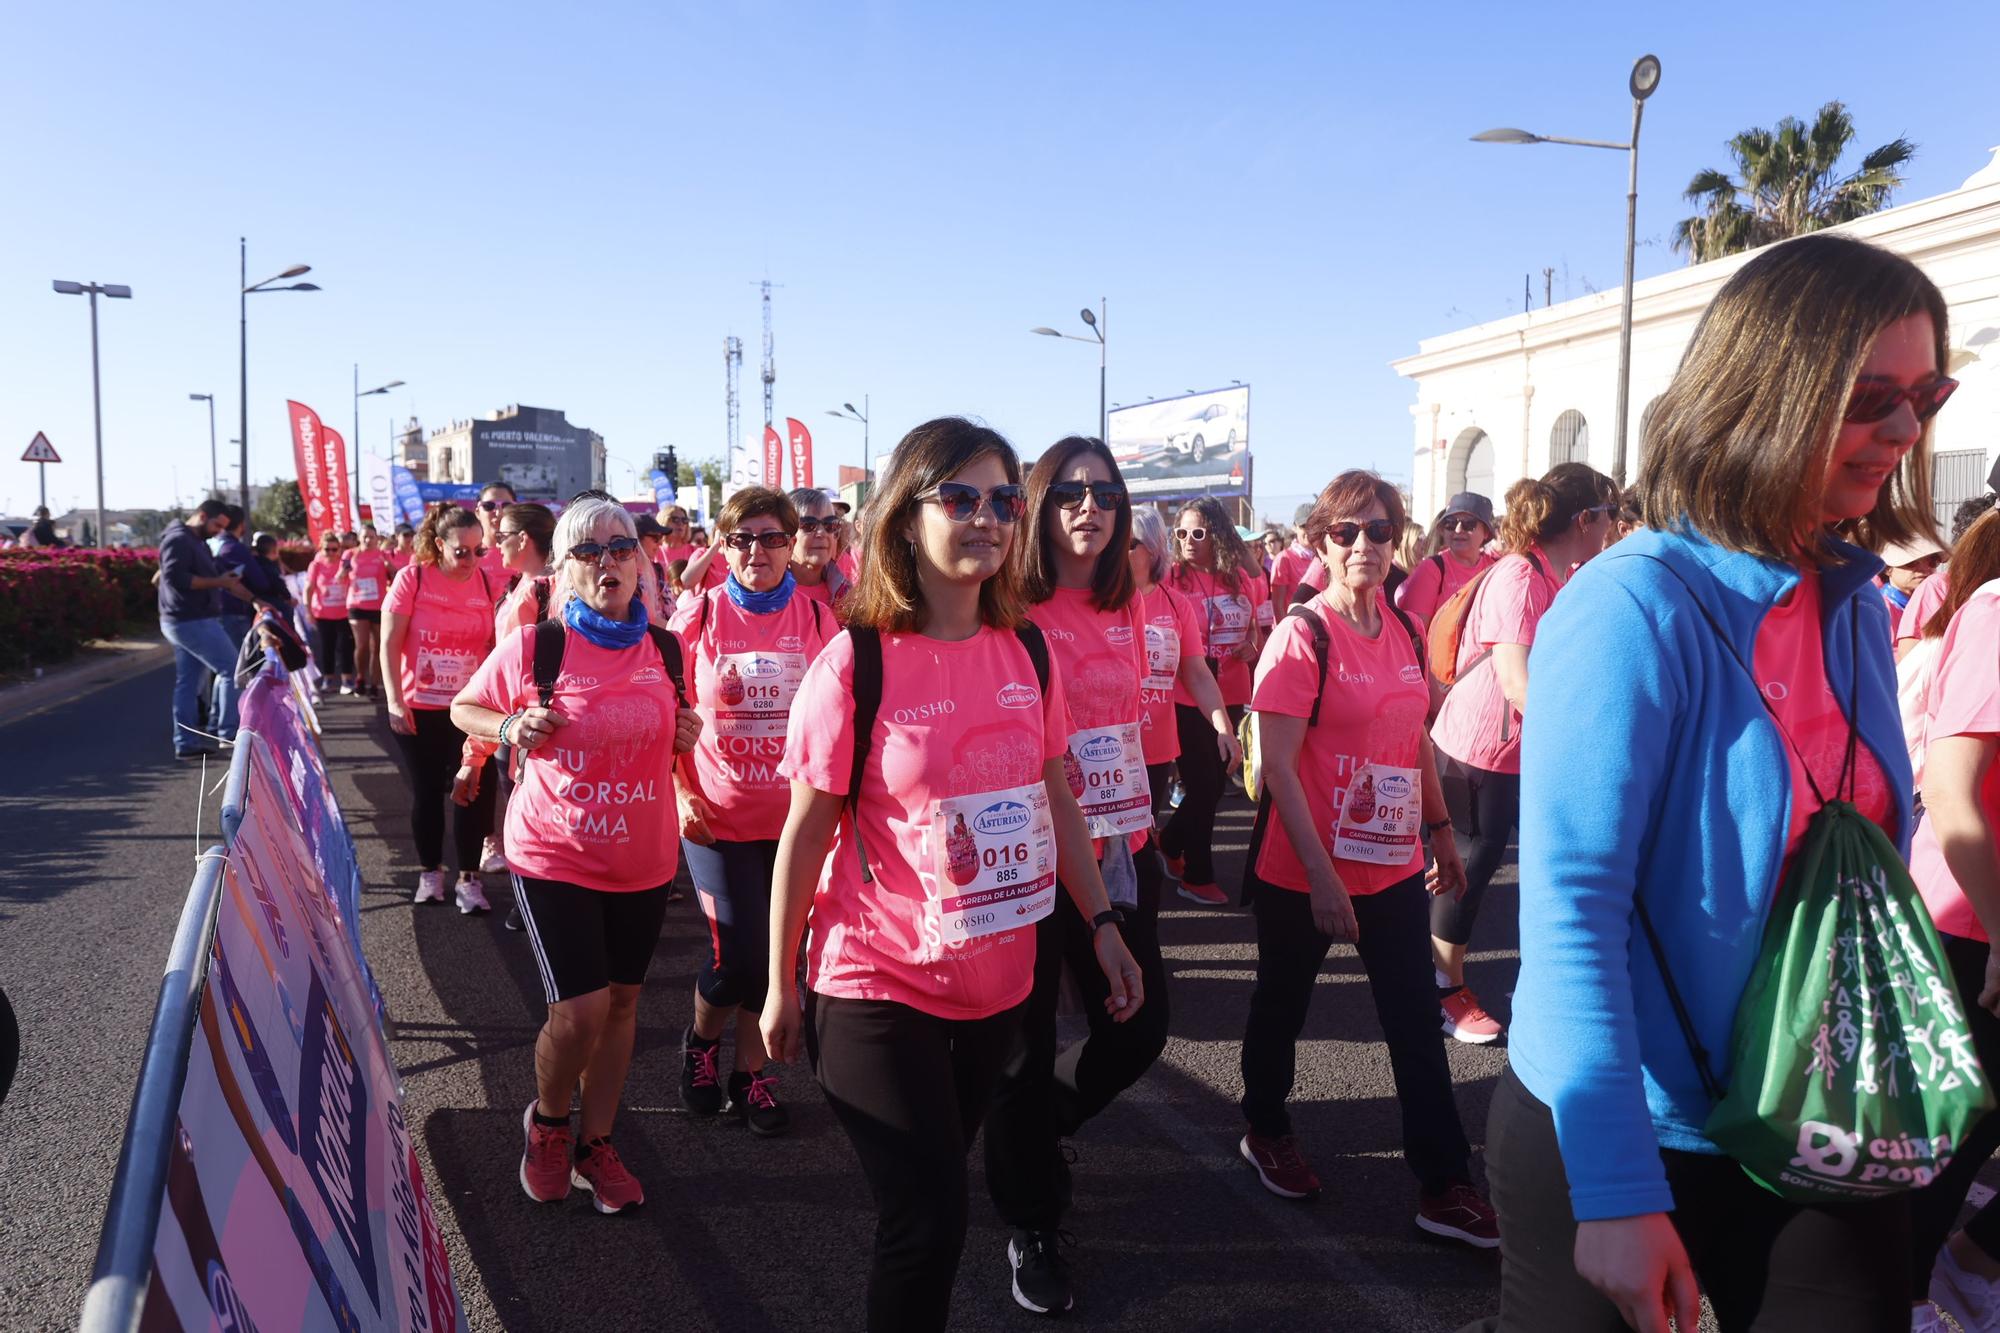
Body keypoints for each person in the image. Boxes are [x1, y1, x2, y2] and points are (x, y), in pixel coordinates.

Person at [1484, 232, 1941, 1332]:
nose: (1903, 430)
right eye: (1867, 396)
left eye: (1923, 393)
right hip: (1633, 1133)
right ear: (1763, 392)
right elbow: (1571, 910)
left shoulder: (1848, 598)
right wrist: (1616, 1190)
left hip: (1812, 1105)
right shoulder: (1629, 606)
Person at [759, 418, 1144, 1333]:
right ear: (906, 512)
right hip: (874, 983)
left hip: (1000, 988)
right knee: (927, 1221)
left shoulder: (1028, 650)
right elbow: (804, 838)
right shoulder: (853, 663)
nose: (989, 519)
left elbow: (1058, 800)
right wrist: (778, 983)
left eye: (1005, 500)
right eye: (962, 498)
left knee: (936, 1200)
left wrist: (1102, 924)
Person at [985, 437, 1228, 1315]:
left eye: (1107, 493)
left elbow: (1127, 724)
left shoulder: (1131, 605)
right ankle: (1032, 1219)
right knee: (1022, 1044)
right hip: (1024, 856)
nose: (1091, 507)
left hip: (1118, 846)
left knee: (1139, 1020)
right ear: (1042, 505)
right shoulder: (1006, 606)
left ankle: (1036, 1135)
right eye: (1072, 492)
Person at [1236, 470, 1494, 1247]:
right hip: (1302, 868)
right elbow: (1278, 766)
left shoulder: (1404, 631)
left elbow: (1412, 735)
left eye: (1379, 531)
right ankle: (1266, 1126)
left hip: (1387, 866)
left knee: (1415, 1019)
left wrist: (1443, 832)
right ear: (1321, 540)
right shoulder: (1302, 634)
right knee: (1283, 1003)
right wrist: (1320, 878)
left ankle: (1444, 1182)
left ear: (1397, 541)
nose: (1364, 546)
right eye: (1347, 532)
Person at [453, 494, 702, 1215]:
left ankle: (597, 1140)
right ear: (564, 568)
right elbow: (464, 707)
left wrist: (685, 734)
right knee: (580, 1012)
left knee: (623, 1002)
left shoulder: (666, 648)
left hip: (644, 856)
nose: (608, 562)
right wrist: (508, 725)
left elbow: (678, 732)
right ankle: (550, 1121)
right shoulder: (540, 645)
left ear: (640, 560)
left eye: (620, 547)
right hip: (554, 850)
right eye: (588, 552)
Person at [1428, 462, 1616, 1043]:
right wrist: (1579, 748)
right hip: (1478, 749)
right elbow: (1517, 680)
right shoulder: (1521, 574)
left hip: (1509, 750)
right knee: (1466, 869)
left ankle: (1437, 972)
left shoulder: (1556, 573)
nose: (1614, 525)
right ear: (1585, 519)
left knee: (1475, 866)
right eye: (1609, 514)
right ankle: (1443, 991)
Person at [670, 486, 836, 1135]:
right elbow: (666, 711)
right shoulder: (699, 615)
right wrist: (681, 791)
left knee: (777, 955)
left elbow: (836, 721)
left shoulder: (821, 620)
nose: (756, 551)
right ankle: (700, 1043)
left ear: (792, 542)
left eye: (770, 537)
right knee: (734, 957)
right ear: (723, 544)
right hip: (715, 816)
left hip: (795, 819)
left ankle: (751, 1073)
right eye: (741, 538)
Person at [1907, 508, 2000, 1329]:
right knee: (1943, 1137)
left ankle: (1966, 1263)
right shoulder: (1998, 610)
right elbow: (1949, 786)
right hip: (1973, 923)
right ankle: (1905, 1290)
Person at [382, 504, 500, 912]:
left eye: (477, 550)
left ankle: (470, 879)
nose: (470, 560)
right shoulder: (412, 578)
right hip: (421, 707)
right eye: (460, 551)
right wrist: (395, 701)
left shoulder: (485, 583)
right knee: (428, 793)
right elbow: (390, 643)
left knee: (475, 791)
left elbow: (493, 646)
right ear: (438, 545)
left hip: (469, 710)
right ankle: (431, 871)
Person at [1161, 497, 1268, 904]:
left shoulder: (1238, 577)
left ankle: (1170, 842)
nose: (1188, 541)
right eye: (1181, 533)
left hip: (1232, 690)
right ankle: (1197, 874)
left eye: (1199, 532)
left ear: (1218, 535)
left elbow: (1257, 623)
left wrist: (1250, 646)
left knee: (1218, 779)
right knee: (1205, 785)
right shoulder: (1171, 577)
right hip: (1184, 694)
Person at [456, 503, 560, 899]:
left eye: (501, 537)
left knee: (534, 825)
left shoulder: (538, 591)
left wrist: (474, 755)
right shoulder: (524, 586)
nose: (494, 545)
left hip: (524, 728)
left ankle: (536, 903)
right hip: (516, 725)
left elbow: (511, 682)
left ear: (523, 539)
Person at [1128, 505, 1234, 828]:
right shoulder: (1102, 601)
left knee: (1143, 835)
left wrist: (1224, 727)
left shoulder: (1175, 603)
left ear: (1153, 548)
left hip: (1157, 748)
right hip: (1110, 751)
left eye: (1130, 542)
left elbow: (1198, 674)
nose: (1117, 548)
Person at [158, 500, 251, 760]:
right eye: (216, 525)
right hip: (190, 620)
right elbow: (177, 579)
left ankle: (188, 741)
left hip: (185, 619)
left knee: (188, 682)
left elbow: (167, 576)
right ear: (202, 516)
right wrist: (219, 582)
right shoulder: (179, 539)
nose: (218, 531)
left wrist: (229, 585)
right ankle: (227, 732)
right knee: (232, 669)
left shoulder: (191, 540)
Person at [1395, 492, 1499, 623]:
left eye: (1468, 524)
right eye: (1450, 523)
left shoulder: (1496, 569)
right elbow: (1416, 632)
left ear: (1486, 532)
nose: (1458, 529)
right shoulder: (1431, 569)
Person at [787, 486, 854, 611]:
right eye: (809, 525)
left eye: (829, 524)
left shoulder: (849, 599)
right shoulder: (768, 598)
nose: (822, 533)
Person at [306, 530, 356, 696]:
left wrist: (345, 573)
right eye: (327, 549)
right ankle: (328, 679)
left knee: (345, 647)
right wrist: (309, 611)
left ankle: (347, 679)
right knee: (327, 647)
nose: (331, 553)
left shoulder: (345, 563)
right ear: (321, 548)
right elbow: (309, 588)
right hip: (323, 613)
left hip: (343, 613)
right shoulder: (316, 565)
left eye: (335, 549)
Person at [346, 526, 393, 699]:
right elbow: (340, 575)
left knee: (378, 646)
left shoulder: (383, 555)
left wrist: (390, 568)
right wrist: (342, 573)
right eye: (365, 537)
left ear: (377, 539)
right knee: (362, 645)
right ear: (359, 538)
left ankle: (374, 684)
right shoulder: (350, 555)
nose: (368, 540)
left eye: (371, 537)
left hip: (378, 606)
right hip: (357, 605)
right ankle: (360, 678)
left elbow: (394, 577)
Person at [475, 482, 517, 577]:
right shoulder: (468, 556)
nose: (498, 513)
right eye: (488, 506)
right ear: (477, 513)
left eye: (506, 506)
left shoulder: (528, 552)